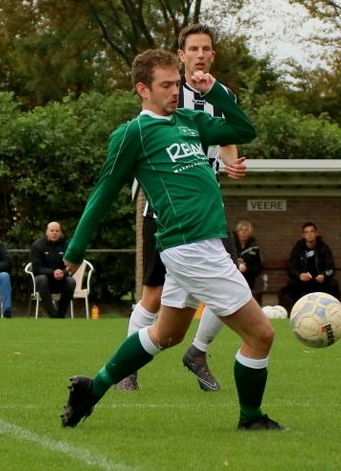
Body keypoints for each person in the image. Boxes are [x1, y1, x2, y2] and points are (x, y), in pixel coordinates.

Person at [60, 49, 285, 431]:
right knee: (261, 334)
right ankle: (251, 418)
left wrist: (213, 91)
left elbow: (244, 131)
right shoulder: (134, 133)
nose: (175, 92)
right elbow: (104, 191)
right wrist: (75, 250)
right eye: (165, 86)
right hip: (191, 247)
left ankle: (91, 388)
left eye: (176, 84)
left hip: (199, 244)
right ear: (142, 89)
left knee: (166, 334)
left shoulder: (190, 121)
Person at [117, 24, 247, 392]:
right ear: (182, 55)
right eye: (194, 49)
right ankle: (128, 368)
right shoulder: (169, 92)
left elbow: (227, 142)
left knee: (232, 281)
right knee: (154, 296)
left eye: (206, 48)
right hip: (166, 210)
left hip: (207, 210)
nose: (201, 55)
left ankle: (198, 351)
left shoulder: (223, 96)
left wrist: (232, 163)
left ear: (213, 55)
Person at [283, 222, 340, 308]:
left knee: (333, 284)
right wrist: (300, 275)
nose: (309, 234)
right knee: (291, 283)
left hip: (320, 282)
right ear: (303, 235)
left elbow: (331, 268)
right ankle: (299, 308)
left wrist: (324, 275)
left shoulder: (324, 248)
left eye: (312, 231)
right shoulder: (297, 249)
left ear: (316, 233)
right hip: (303, 282)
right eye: (306, 232)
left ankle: (332, 308)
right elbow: (291, 268)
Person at [30, 222, 76, 319]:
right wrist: (52, 273)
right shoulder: (37, 246)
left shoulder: (66, 246)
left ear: (60, 233)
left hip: (61, 280)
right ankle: (52, 314)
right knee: (41, 279)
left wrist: (63, 272)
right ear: (46, 232)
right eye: (52, 231)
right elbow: (37, 268)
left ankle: (61, 314)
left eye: (57, 231)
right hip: (44, 281)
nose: (54, 233)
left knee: (71, 281)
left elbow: (71, 265)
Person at [224, 219, 264, 291]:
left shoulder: (254, 248)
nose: (243, 232)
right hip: (232, 279)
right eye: (241, 230)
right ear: (237, 232)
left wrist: (247, 269)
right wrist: (236, 262)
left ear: (250, 232)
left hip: (248, 280)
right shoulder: (230, 246)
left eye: (246, 230)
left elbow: (258, 266)